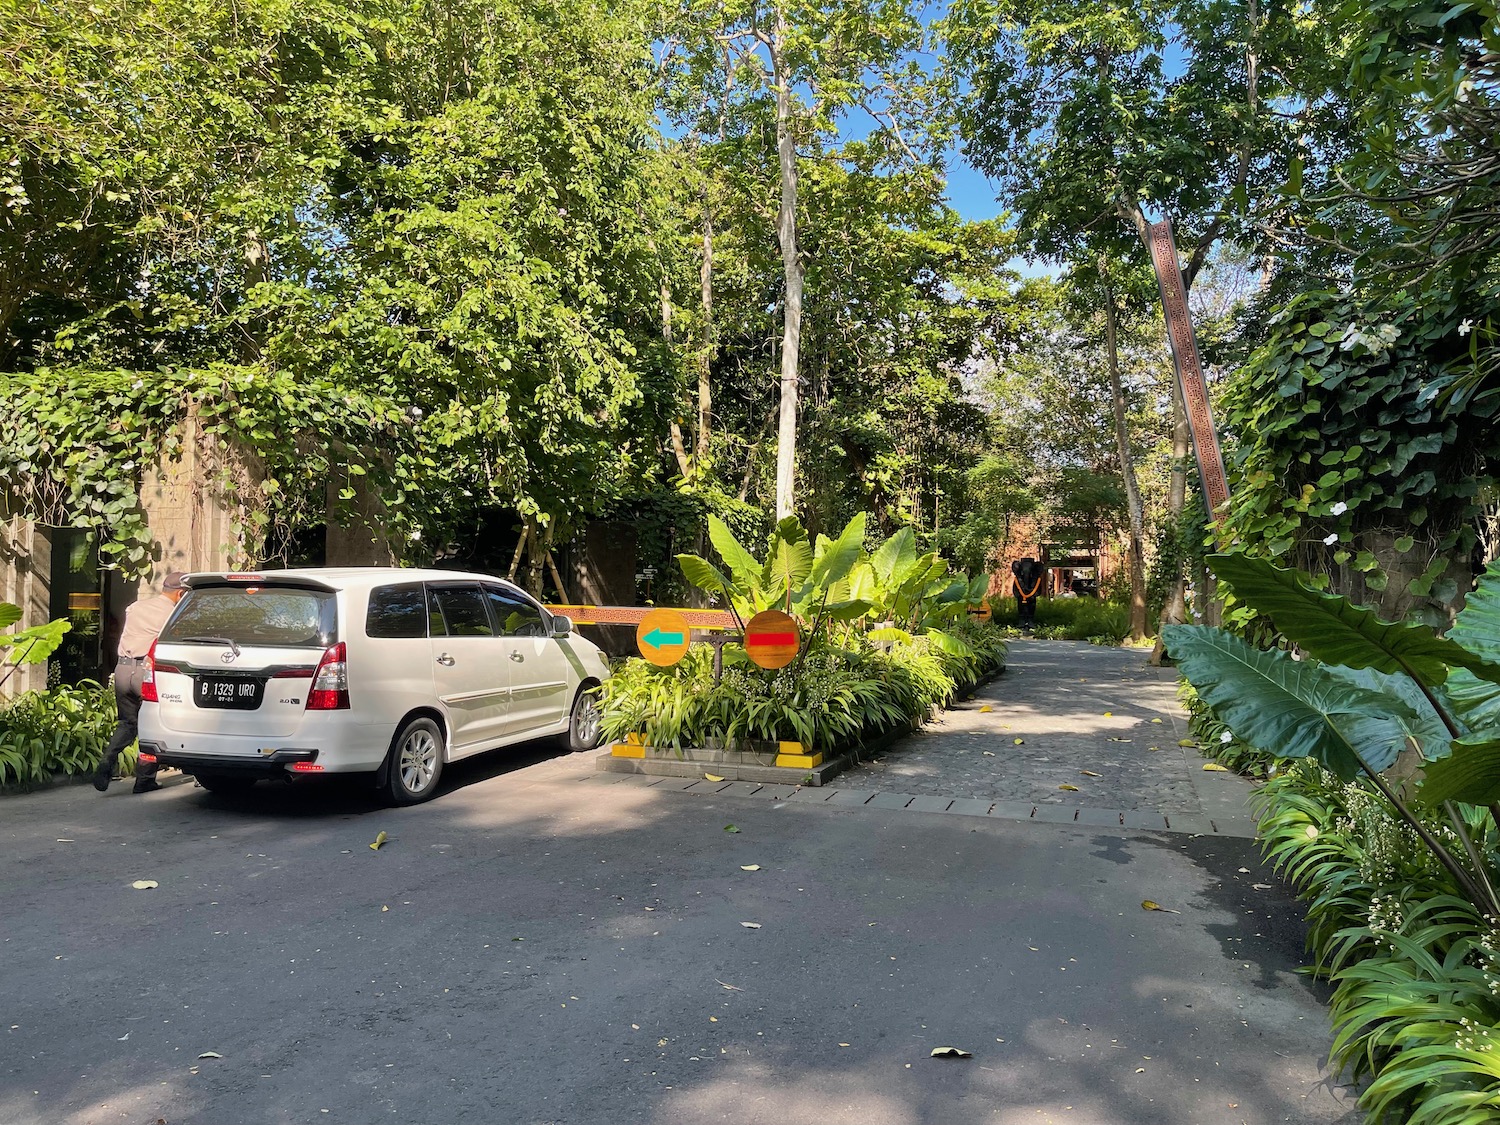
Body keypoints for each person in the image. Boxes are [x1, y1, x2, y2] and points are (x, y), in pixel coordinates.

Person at [93, 571, 188, 794]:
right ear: (181, 593)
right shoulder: (174, 614)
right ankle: (144, 780)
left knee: (127, 723)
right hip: (148, 671)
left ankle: (108, 760)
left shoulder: (135, 607)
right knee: (152, 725)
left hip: (123, 670)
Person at [1011, 557, 1045, 631]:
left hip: (1032, 591)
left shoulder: (1036, 575)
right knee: (1020, 605)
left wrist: (1032, 586)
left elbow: (1037, 587)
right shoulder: (1018, 576)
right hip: (1021, 591)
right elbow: (1016, 588)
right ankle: (1021, 620)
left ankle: (1030, 620)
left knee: (1032, 604)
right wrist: (1022, 585)